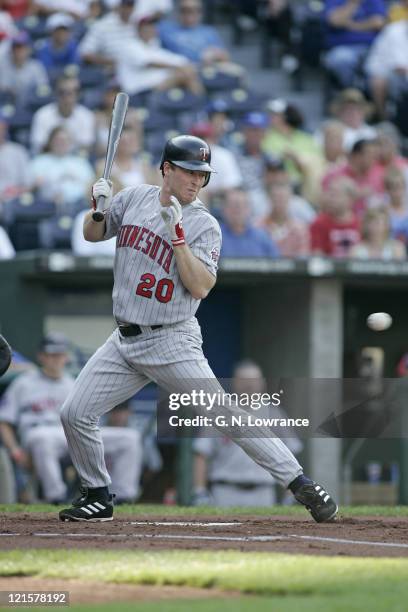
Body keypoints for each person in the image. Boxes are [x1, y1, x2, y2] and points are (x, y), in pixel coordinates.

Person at [57, 134, 338, 523]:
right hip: (124, 339)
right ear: (166, 170)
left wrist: (178, 237)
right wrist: (99, 208)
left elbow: (201, 285)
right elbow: (92, 233)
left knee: (225, 413)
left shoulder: (204, 223)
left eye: (202, 174)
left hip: (172, 338)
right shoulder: (135, 198)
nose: (196, 181)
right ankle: (98, 494)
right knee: (74, 412)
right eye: (189, 171)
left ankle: (301, 483)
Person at [0, 332, 142, 504]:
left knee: (129, 438)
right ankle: (56, 498)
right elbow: (4, 421)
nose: (55, 359)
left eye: (59, 354)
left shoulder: (74, 383)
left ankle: (122, 497)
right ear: (41, 356)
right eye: (51, 354)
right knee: (43, 438)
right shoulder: (23, 383)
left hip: (71, 436)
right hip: (37, 435)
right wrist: (15, 450)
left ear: (66, 357)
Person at [192, 360, 303, 507]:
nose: (249, 384)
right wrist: (200, 490)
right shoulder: (219, 413)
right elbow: (202, 453)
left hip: (263, 492)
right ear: (235, 382)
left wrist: (290, 492)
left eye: (254, 380)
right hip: (225, 490)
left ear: (262, 382)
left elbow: (290, 454)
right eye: (244, 380)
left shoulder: (275, 414)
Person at [28, 125, 95, 212]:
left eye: (65, 140)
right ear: (50, 142)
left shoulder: (81, 163)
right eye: (58, 140)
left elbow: (91, 187)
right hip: (46, 207)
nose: (61, 143)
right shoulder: (38, 162)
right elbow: (29, 189)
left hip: (78, 206)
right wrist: (36, 185)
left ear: (71, 143)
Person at [322, 0, 386, 89]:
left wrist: (351, 25)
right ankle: (352, 91)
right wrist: (353, 3)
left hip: (373, 48)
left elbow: (378, 23)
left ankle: (367, 93)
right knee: (340, 59)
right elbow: (336, 21)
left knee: (384, 65)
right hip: (343, 47)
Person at [30, 75, 96, 154]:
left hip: (76, 161)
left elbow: (86, 146)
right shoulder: (42, 115)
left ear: (78, 95)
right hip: (48, 158)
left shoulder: (86, 116)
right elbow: (39, 145)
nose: (66, 97)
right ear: (55, 93)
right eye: (61, 92)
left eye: (70, 93)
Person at [365, 16, 408, 118]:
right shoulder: (394, 30)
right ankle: (383, 116)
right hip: (385, 73)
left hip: (403, 75)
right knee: (378, 80)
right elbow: (399, 66)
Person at [220, 188, 280, 258]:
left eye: (242, 205)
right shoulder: (214, 237)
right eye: (233, 205)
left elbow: (277, 264)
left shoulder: (262, 237)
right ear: (223, 209)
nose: (238, 209)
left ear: (249, 209)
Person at [310, 175, 361, 256]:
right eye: (329, 195)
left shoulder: (361, 225)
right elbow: (317, 256)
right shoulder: (319, 224)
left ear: (350, 199)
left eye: (335, 195)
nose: (330, 199)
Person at [259, 182, 311, 258]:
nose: (279, 202)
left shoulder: (300, 229)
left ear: (289, 199)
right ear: (269, 199)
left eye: (283, 198)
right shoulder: (259, 226)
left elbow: (303, 257)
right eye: (276, 198)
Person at [0, 30, 49, 106]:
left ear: (29, 49)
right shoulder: (3, 66)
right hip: (7, 104)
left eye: (22, 47)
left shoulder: (36, 67)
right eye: (16, 47)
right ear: (11, 50)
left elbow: (43, 89)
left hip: (31, 105)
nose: (18, 51)